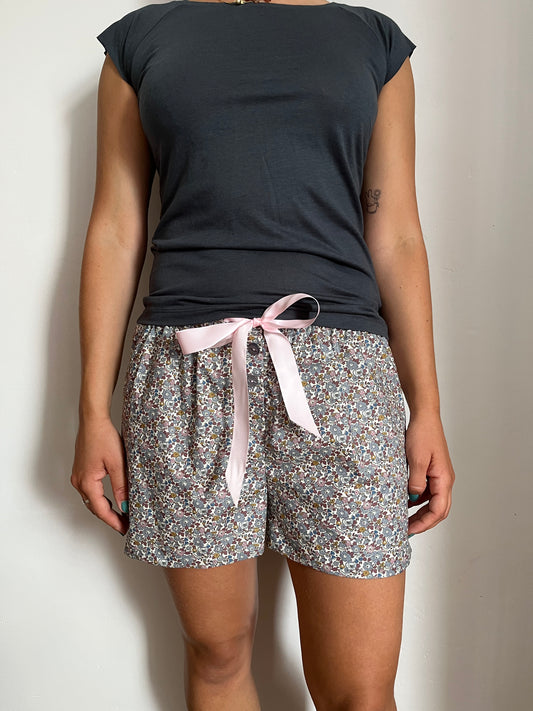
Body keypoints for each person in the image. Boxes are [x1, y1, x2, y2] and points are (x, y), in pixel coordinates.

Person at [71, 1, 455, 709]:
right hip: (186, 370)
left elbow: (396, 230)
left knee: (360, 691)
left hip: (344, 374)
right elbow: (117, 227)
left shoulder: (374, 42)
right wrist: (92, 409)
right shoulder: (142, 39)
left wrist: (425, 405)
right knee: (217, 653)